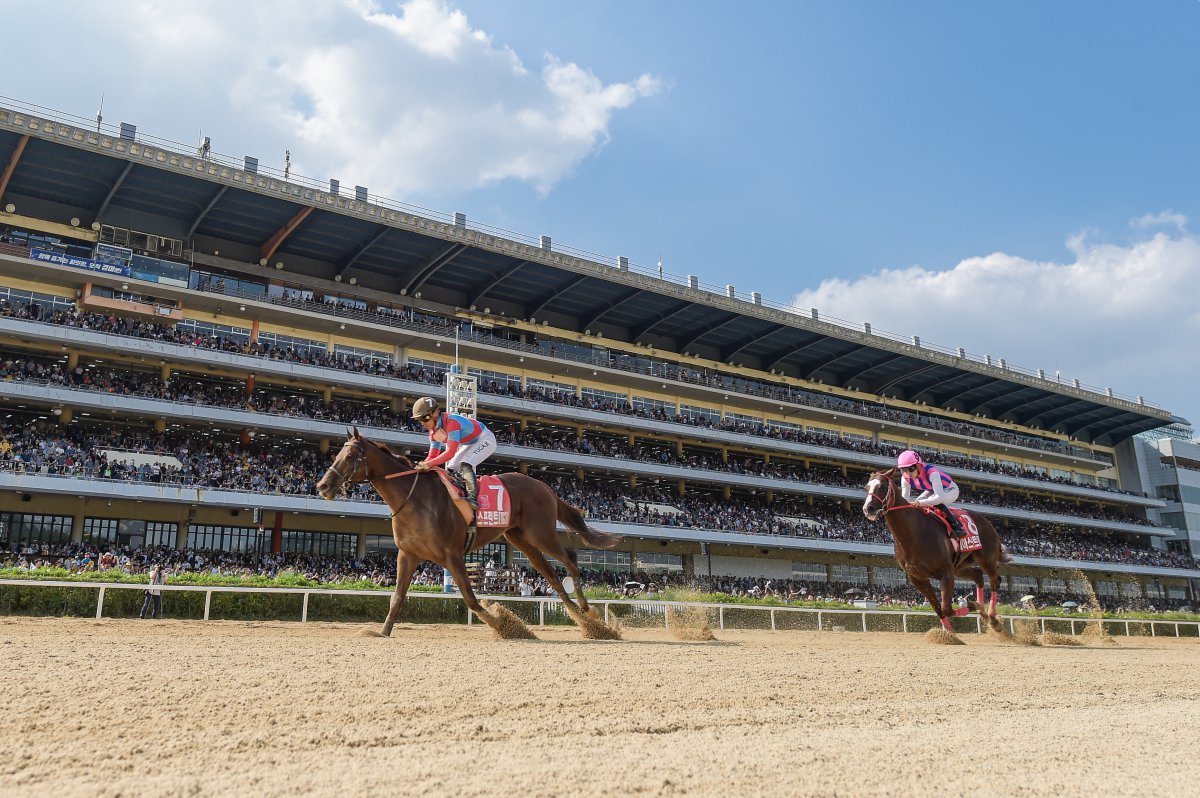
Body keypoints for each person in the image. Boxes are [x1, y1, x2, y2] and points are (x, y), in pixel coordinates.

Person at [410, 396, 496, 537]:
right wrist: (422, 466)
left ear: (435, 413)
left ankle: (473, 498)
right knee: (450, 468)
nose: (422, 423)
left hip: (485, 439)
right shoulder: (433, 432)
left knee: (465, 464)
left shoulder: (451, 423)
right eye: (419, 420)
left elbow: (450, 452)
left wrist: (429, 464)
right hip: (470, 443)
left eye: (424, 418)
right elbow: (432, 457)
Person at [896, 450, 967, 537]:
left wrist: (919, 503)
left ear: (918, 466)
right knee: (917, 502)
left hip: (950, 489)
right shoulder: (905, 478)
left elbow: (938, 497)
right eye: (903, 470)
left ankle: (958, 527)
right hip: (932, 490)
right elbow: (905, 500)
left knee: (934, 502)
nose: (907, 473)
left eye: (910, 469)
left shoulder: (932, 473)